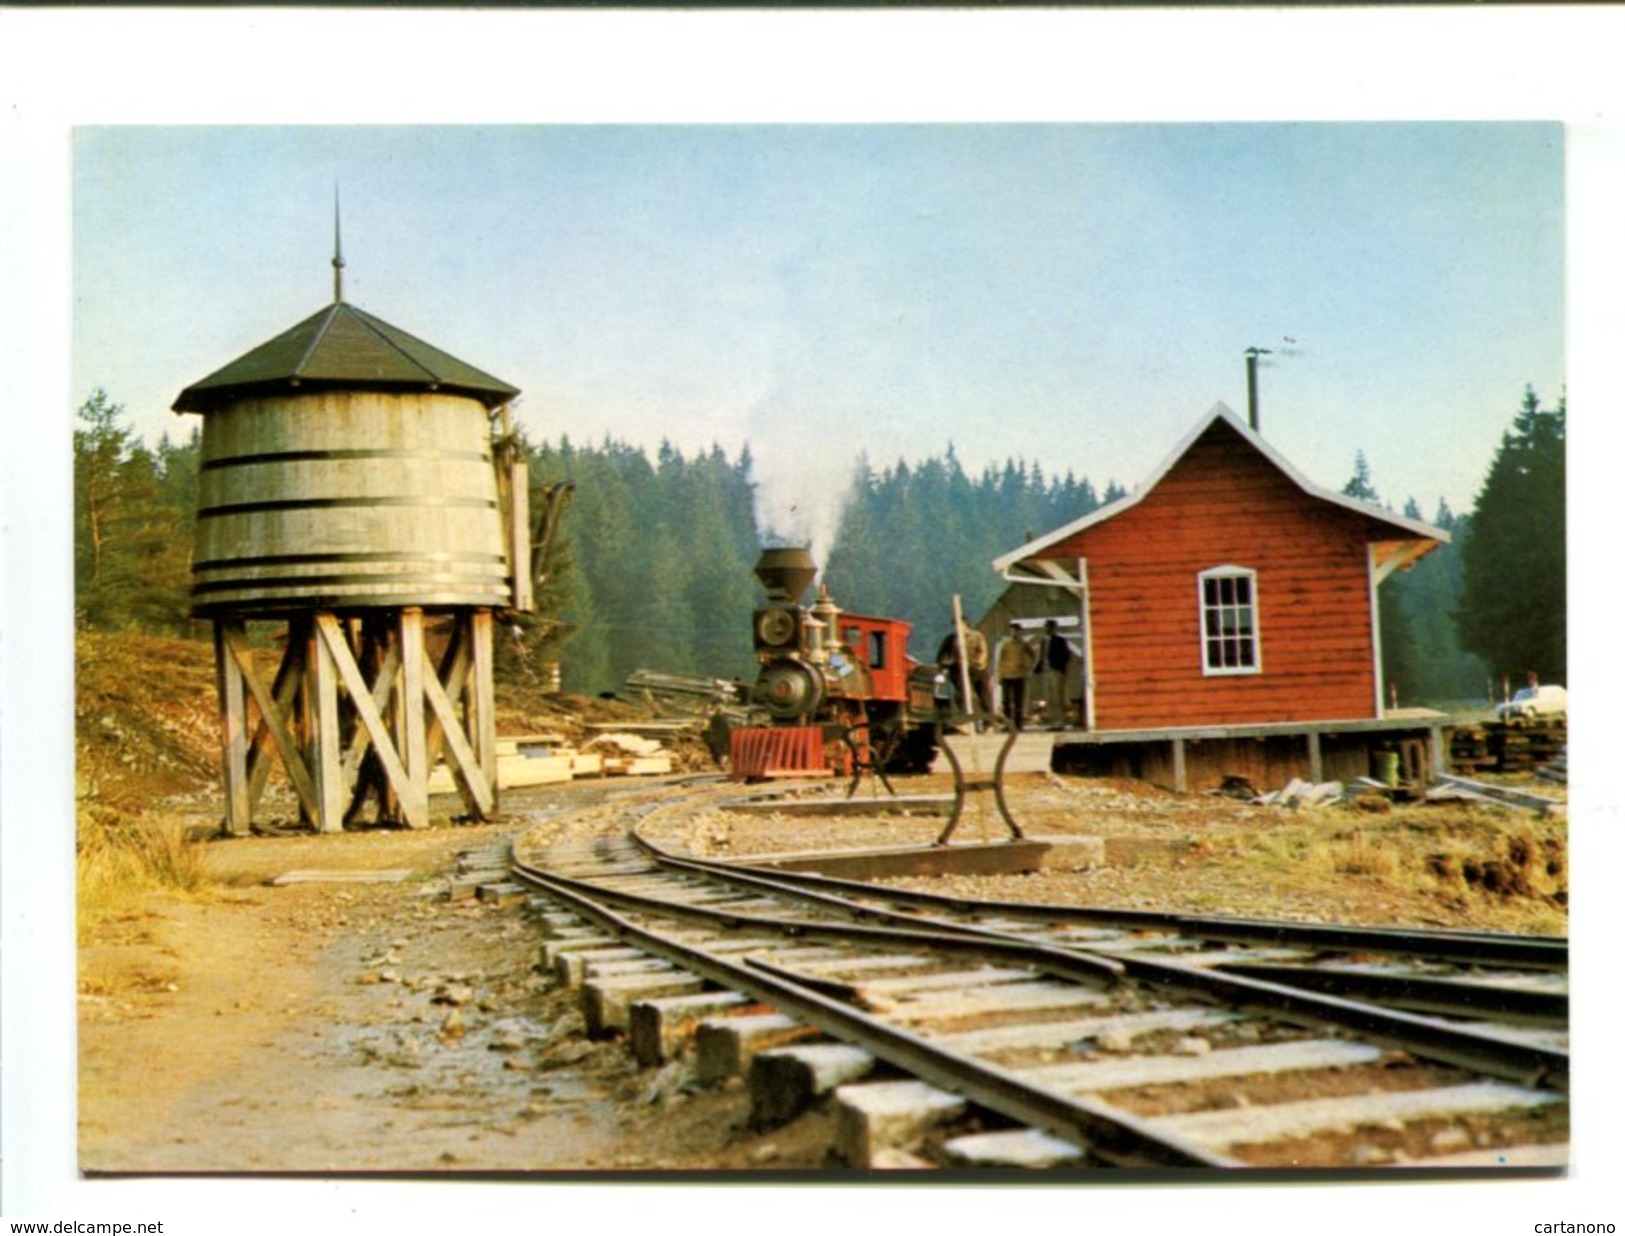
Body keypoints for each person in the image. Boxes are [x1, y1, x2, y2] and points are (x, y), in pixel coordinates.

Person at [936, 620, 991, 716]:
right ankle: (965, 718)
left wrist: (978, 663)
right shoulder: (951, 639)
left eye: (959, 624)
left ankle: (989, 721)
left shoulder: (976, 636)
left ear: (965, 624)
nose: (957, 627)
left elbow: (983, 652)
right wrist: (945, 665)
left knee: (984, 695)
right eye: (955, 625)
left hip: (977, 669)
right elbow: (942, 656)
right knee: (963, 695)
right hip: (958, 670)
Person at [997, 621, 1037, 730]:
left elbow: (1033, 656)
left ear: (1019, 632)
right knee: (1006, 701)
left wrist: (1030, 668)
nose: (1014, 633)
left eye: (1016, 631)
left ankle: (1018, 724)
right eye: (1012, 630)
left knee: (1019, 701)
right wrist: (999, 675)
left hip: (1019, 675)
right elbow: (1000, 660)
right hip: (1006, 675)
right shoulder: (1005, 644)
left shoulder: (1023, 644)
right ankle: (1008, 724)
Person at [1041, 619, 1075, 727]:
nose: (1047, 629)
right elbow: (1042, 656)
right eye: (1046, 627)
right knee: (1049, 696)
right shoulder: (1044, 641)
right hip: (1047, 671)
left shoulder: (1060, 640)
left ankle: (1060, 719)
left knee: (1057, 695)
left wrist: (1060, 667)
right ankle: (1052, 719)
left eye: (1050, 627)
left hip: (1056, 671)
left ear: (1055, 628)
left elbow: (1067, 655)